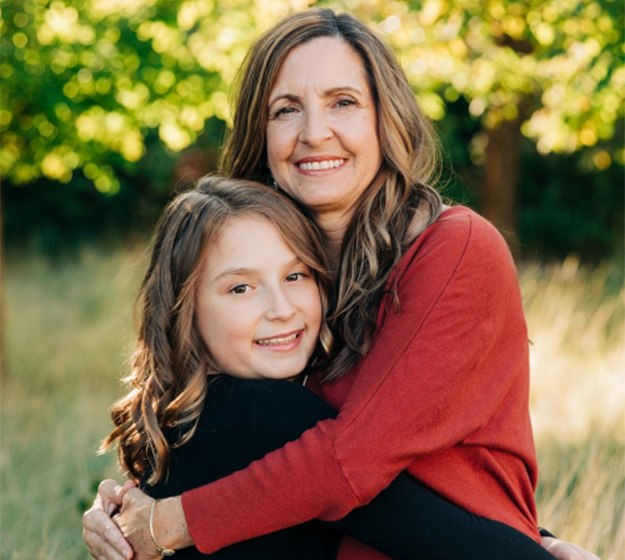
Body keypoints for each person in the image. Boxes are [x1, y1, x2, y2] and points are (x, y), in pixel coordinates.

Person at [83, 8, 600, 560]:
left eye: (343, 102)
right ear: (261, 131)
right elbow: (201, 398)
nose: (314, 132)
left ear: (386, 118)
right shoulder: (285, 273)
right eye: (286, 110)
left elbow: (354, 460)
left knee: (245, 410)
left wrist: (168, 521)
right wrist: (126, 510)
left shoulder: (455, 249)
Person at [95, 175, 568, 560]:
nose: (281, 308)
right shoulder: (257, 412)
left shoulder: (183, 421)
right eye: (240, 288)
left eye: (295, 275)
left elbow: (417, 508)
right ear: (184, 313)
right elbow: (460, 542)